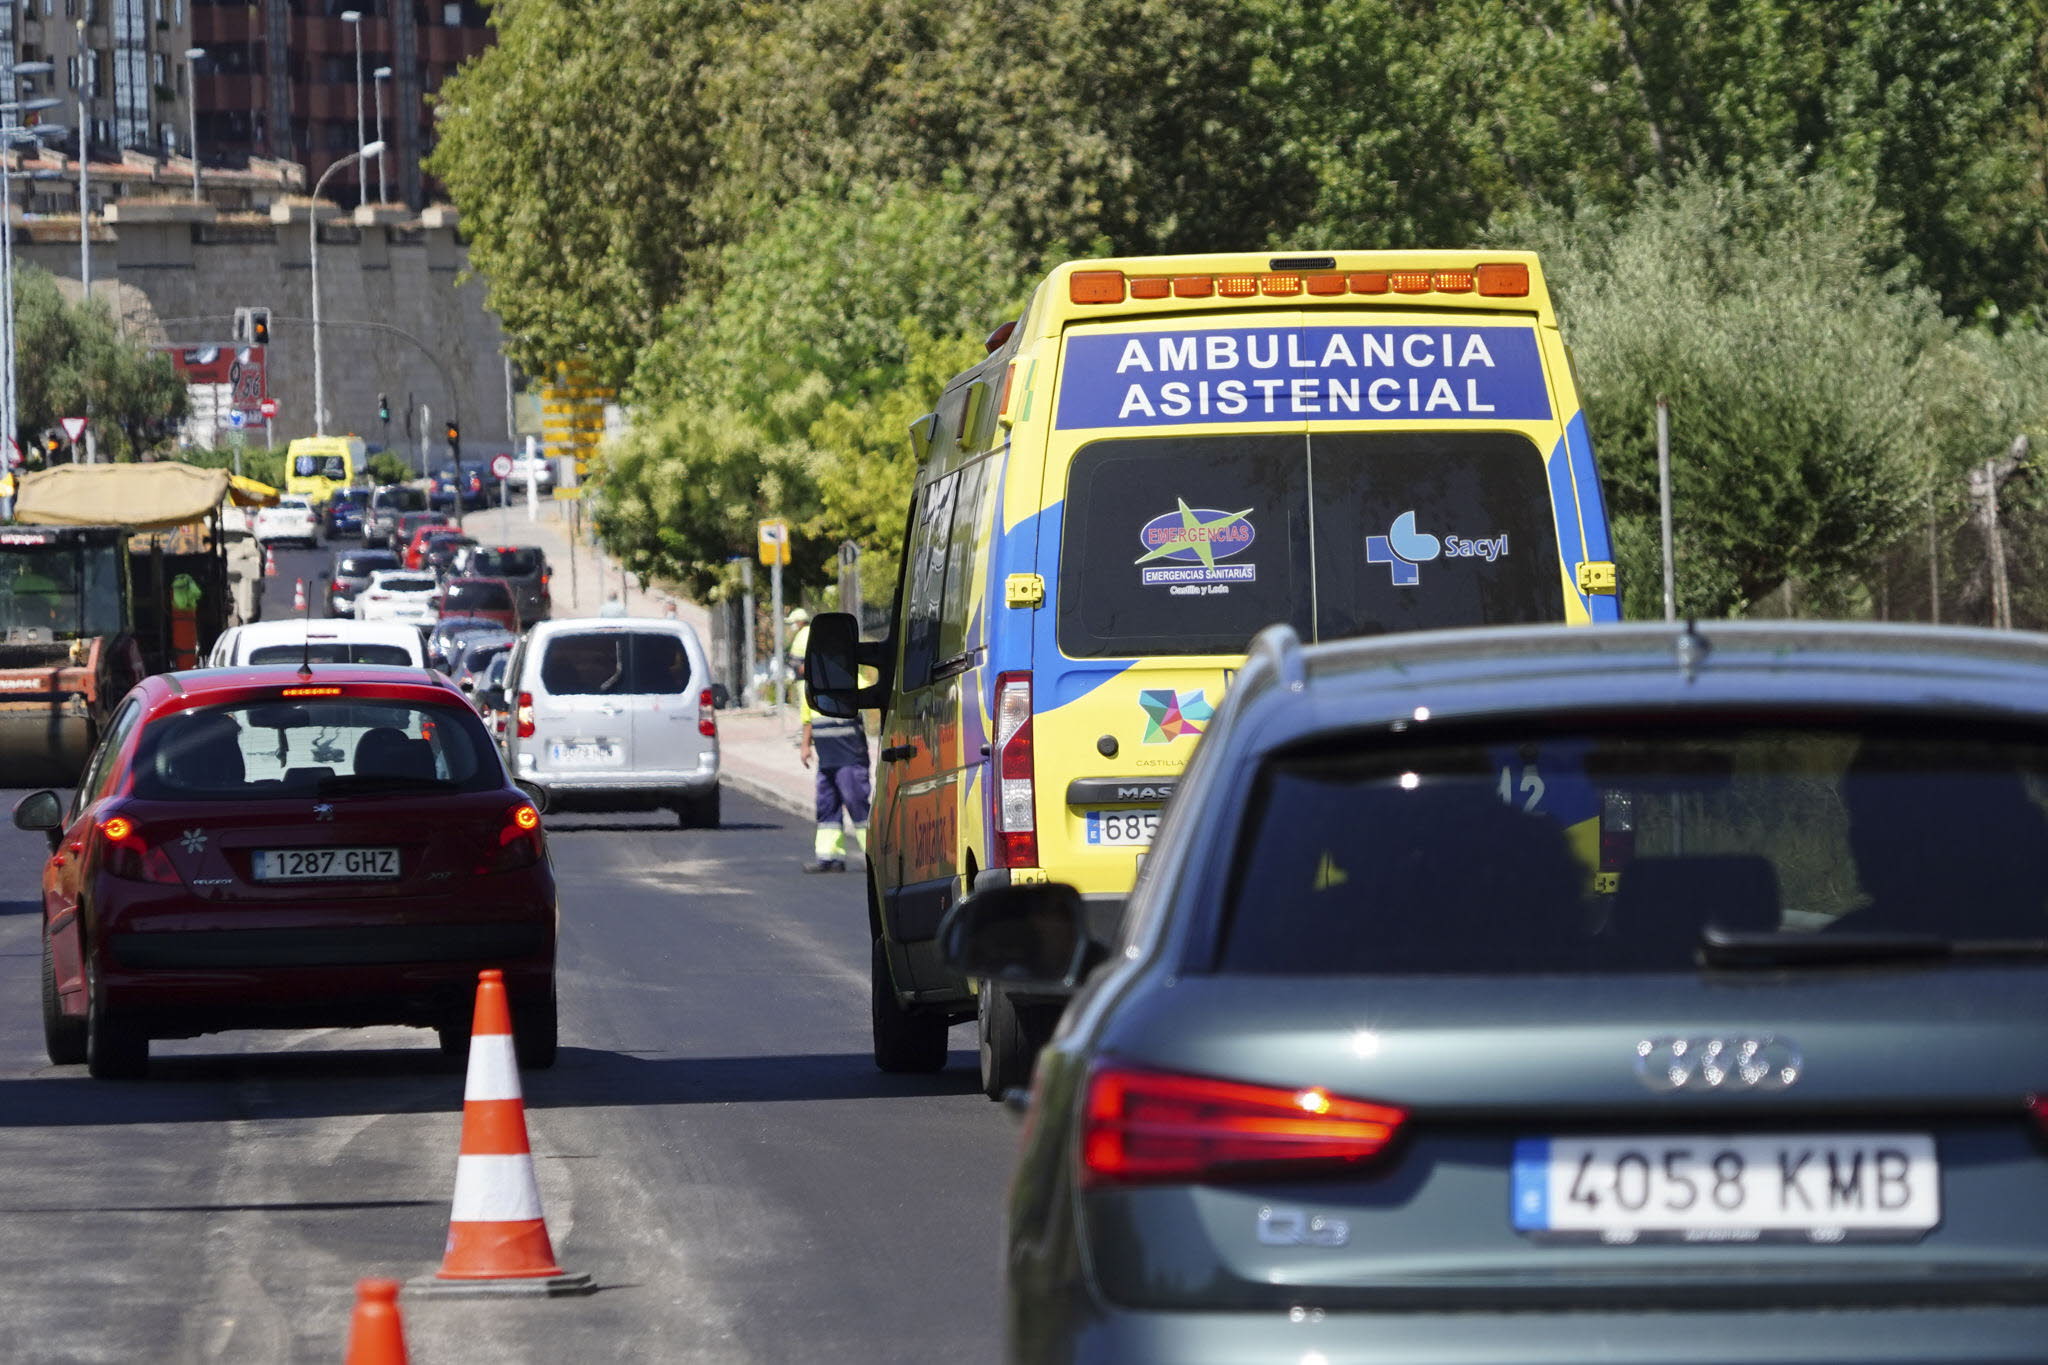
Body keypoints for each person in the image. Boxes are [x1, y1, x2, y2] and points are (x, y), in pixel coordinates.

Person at [799, 676, 869, 874]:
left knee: (857, 805)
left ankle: (872, 856)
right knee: (827, 806)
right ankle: (830, 857)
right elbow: (807, 718)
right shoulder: (811, 686)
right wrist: (805, 745)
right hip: (826, 759)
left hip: (850, 757)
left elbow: (870, 693)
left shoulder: (850, 678)